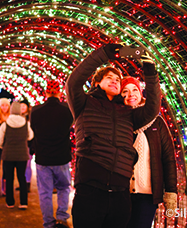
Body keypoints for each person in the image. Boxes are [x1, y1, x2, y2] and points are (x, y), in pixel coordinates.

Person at [66, 43, 161, 228]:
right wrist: (103, 54)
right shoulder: (83, 103)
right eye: (109, 77)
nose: (115, 80)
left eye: (118, 79)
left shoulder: (129, 113)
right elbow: (73, 82)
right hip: (90, 189)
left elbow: (152, 108)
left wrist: (149, 71)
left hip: (120, 192)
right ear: (96, 83)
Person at [120, 77, 177, 228]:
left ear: (140, 93)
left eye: (134, 90)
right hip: (121, 193)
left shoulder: (157, 123)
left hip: (147, 194)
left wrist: (171, 191)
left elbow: (168, 158)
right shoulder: (119, 122)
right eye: (124, 91)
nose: (130, 94)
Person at [31, 80, 73, 228]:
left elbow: (34, 131)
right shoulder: (67, 110)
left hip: (43, 158)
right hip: (62, 157)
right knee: (63, 188)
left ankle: (48, 222)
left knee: (45, 193)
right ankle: (62, 217)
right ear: (60, 93)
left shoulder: (35, 111)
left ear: (46, 92)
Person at [0, 102, 34, 209]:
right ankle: (23, 202)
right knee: (22, 177)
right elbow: (30, 136)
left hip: (8, 154)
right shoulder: (26, 124)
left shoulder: (5, 124)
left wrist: (4, 146)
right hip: (22, 154)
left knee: (9, 178)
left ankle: (10, 202)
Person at [18, 99, 33, 193]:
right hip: (19, 144)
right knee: (21, 165)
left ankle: (27, 183)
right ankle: (22, 183)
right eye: (21, 106)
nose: (22, 107)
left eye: (24, 106)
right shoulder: (17, 117)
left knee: (27, 165)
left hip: (28, 144)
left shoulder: (30, 118)